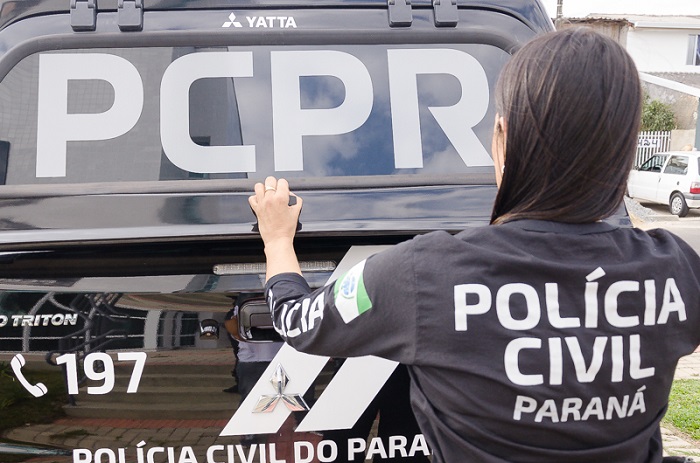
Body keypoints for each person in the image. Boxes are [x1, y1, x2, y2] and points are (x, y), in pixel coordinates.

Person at [248, 28, 700, 463]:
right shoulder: (677, 270)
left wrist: (277, 238)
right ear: (625, 150)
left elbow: (296, 321)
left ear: (502, 138)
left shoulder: (424, 274)